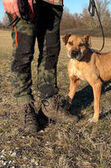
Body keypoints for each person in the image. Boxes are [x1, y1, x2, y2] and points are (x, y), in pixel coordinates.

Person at [2, 0, 78, 134]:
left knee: (51, 52)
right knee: (23, 53)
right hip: (24, 2)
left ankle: (50, 105)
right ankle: (24, 106)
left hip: (52, 3)